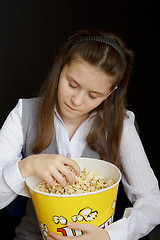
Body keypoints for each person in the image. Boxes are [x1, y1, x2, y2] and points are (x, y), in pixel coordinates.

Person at [0, 29, 160, 240]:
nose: (77, 101)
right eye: (72, 85)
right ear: (60, 68)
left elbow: (152, 202)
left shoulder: (121, 124)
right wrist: (26, 166)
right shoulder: (23, 114)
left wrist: (110, 236)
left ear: (111, 92)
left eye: (94, 95)